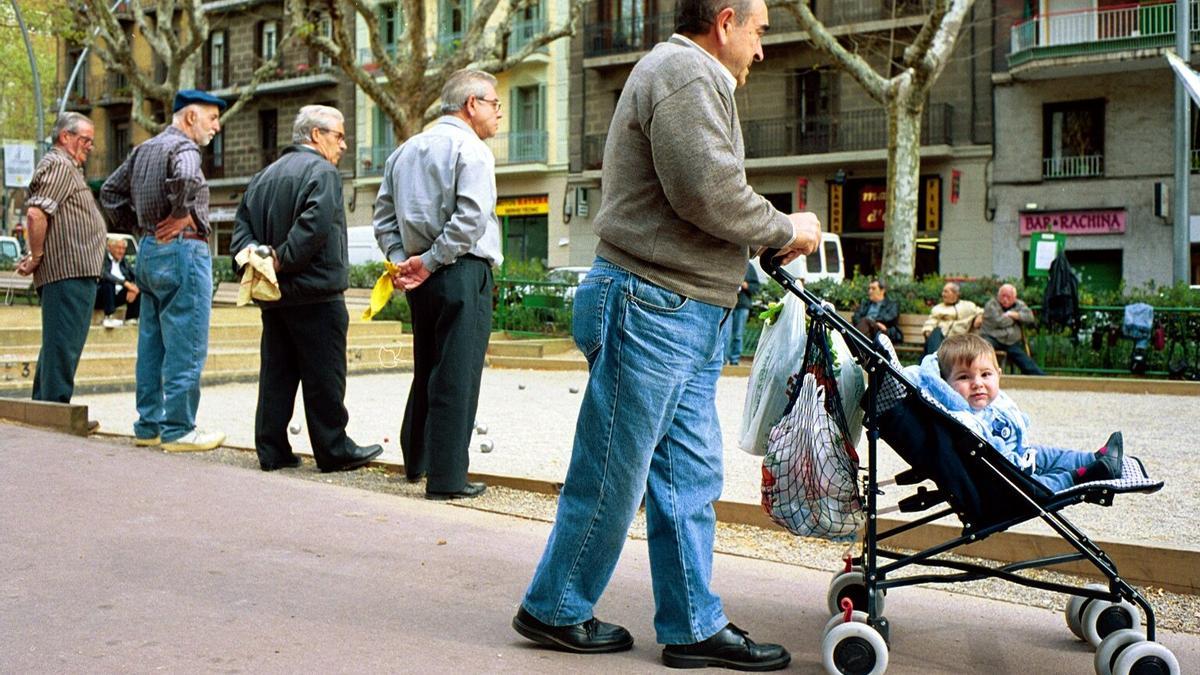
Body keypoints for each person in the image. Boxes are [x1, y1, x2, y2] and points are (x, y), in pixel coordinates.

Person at [512, 0, 821, 669]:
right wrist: (784, 228)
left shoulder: (687, 74)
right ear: (726, 20)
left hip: (675, 306)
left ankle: (691, 625)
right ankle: (554, 605)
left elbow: (701, 193)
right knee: (614, 472)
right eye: (760, 33)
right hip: (652, 303)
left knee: (688, 475)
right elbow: (706, 190)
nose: (762, 50)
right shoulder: (686, 72)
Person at [230, 105, 383, 473]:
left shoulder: (262, 177)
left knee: (276, 375)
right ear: (316, 135)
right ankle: (333, 450)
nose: (344, 144)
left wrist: (263, 262)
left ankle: (272, 449)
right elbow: (313, 226)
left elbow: (241, 232)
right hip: (316, 292)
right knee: (324, 376)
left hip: (275, 297)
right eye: (339, 135)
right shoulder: (323, 171)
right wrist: (280, 259)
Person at [372, 69, 503, 500]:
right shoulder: (474, 150)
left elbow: (383, 218)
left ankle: (418, 461)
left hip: (419, 274)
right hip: (460, 269)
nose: (498, 114)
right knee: (458, 373)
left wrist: (401, 262)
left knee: (426, 364)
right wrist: (427, 262)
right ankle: (447, 477)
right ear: (471, 104)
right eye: (494, 104)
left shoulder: (404, 151)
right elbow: (470, 220)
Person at [100, 89, 227, 452]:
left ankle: (149, 426)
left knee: (152, 343)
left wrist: (144, 226)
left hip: (150, 252)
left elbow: (110, 191)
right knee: (186, 343)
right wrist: (178, 215)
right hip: (184, 249)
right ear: (190, 118)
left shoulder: (143, 149)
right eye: (212, 118)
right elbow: (187, 179)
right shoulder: (185, 148)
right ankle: (179, 430)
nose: (216, 126)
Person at [907, 334, 1122, 492]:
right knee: (1042, 484)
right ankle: (1081, 477)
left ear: (998, 375)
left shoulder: (990, 403)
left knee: (1049, 454)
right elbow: (990, 458)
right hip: (1004, 480)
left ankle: (1096, 457)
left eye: (986, 374)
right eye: (964, 377)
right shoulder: (961, 419)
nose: (977, 384)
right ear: (945, 385)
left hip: (1019, 457)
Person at [15, 112, 107, 403]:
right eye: (85, 139)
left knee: (58, 345)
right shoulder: (59, 164)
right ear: (65, 137)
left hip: (72, 272)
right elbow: (35, 212)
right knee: (63, 345)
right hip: (68, 272)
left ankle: (47, 409)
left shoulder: (65, 166)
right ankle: (56, 413)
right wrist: (36, 254)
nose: (90, 146)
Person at [977, 283, 1044, 375]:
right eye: (1003, 296)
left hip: (1011, 341)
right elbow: (999, 321)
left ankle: (1041, 378)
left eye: (1008, 297)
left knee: (1024, 361)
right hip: (992, 337)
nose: (1005, 299)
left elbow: (1029, 317)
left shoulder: (1019, 304)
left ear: (1014, 298)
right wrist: (1015, 319)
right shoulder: (991, 305)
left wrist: (1014, 315)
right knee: (982, 352)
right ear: (998, 296)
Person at [921, 281, 981, 356]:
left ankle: (934, 360)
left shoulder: (968, 306)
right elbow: (931, 321)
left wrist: (979, 317)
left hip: (958, 339)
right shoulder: (938, 308)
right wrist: (928, 330)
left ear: (955, 294)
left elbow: (980, 311)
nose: (943, 294)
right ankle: (935, 358)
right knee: (936, 332)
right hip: (941, 338)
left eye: (946, 292)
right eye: (943, 291)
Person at [95, 237, 140, 328]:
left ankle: (131, 318)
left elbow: (135, 276)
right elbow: (104, 275)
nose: (121, 251)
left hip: (116, 297)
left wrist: (134, 288)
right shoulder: (101, 259)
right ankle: (109, 317)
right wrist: (124, 283)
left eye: (123, 249)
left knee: (136, 288)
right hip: (102, 296)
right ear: (109, 247)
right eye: (118, 248)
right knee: (109, 283)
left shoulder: (124, 262)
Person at [723, 263, 760, 365]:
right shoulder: (729, 263)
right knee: (725, 333)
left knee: (738, 335)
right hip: (727, 303)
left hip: (742, 305)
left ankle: (734, 360)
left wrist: (745, 285)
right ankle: (722, 360)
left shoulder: (749, 267)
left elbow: (756, 287)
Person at [851, 278, 901, 343]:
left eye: (873, 288)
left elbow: (890, 318)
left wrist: (871, 322)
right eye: (869, 288)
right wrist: (868, 322)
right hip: (867, 331)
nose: (870, 291)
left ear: (882, 290)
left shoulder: (892, 305)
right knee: (866, 324)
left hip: (880, 332)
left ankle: (852, 343)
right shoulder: (865, 304)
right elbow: (856, 317)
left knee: (866, 321)